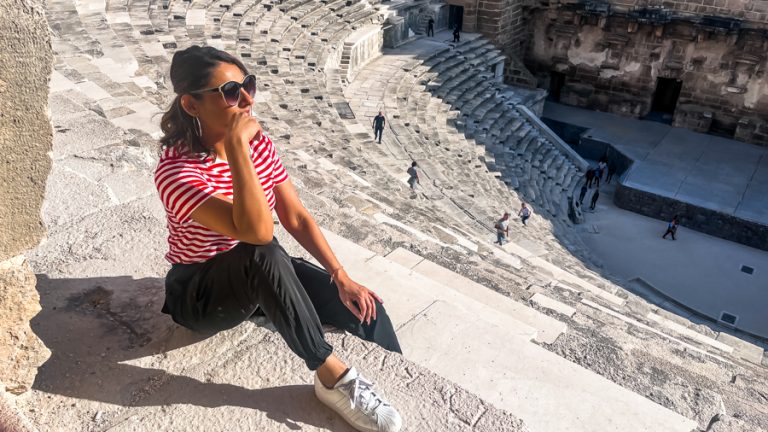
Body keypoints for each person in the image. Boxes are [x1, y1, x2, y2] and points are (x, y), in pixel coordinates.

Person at [154, 46, 402, 432]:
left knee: (367, 309)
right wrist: (236, 147)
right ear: (191, 104)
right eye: (232, 91)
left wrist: (340, 275)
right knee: (263, 250)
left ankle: (392, 374)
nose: (248, 99)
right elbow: (257, 232)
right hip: (200, 293)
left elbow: (295, 215)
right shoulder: (177, 172)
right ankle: (331, 376)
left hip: (265, 273)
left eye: (248, 85)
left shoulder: (258, 145)